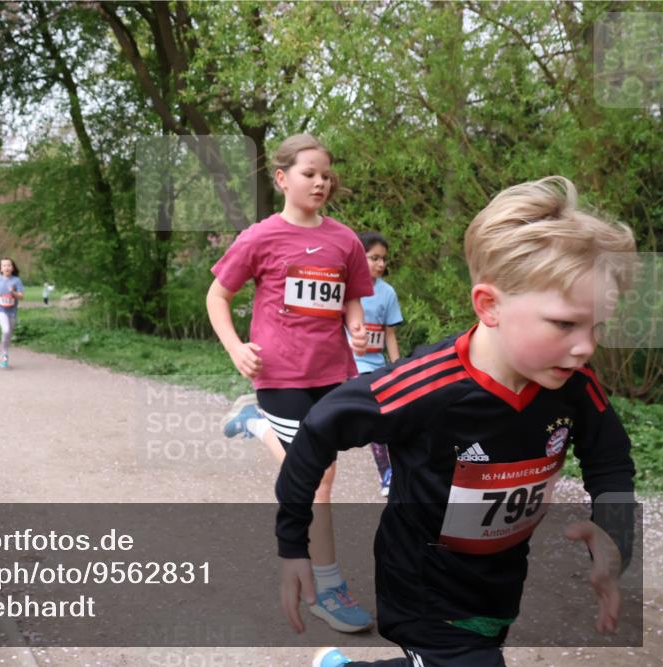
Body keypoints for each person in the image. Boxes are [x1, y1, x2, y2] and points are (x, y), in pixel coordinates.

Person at [278, 176, 637, 667]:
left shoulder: (573, 383)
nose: (586, 347)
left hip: (498, 585)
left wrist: (614, 540)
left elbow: (610, 457)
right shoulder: (426, 386)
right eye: (565, 324)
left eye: (597, 327)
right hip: (420, 583)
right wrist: (292, 544)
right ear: (489, 305)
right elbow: (320, 426)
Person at [206, 133, 375, 633]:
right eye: (309, 173)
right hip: (279, 373)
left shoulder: (345, 240)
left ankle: (252, 424)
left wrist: (357, 325)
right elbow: (217, 296)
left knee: (318, 474)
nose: (321, 182)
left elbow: (351, 296)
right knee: (317, 479)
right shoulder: (260, 237)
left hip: (333, 373)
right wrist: (237, 348)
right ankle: (329, 589)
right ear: (282, 178)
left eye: (326, 175)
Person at [353, 231, 404, 496]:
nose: (381, 264)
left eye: (383, 259)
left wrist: (398, 369)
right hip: (346, 367)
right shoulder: (346, 287)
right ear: (359, 257)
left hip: (374, 367)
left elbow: (389, 335)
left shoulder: (388, 293)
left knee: (381, 419)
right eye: (374, 258)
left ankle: (387, 473)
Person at [0, 258, 25, 369]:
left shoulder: (17, 280)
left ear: (12, 268)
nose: (6, 267)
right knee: (6, 329)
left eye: (9, 265)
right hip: (0, 310)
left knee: (8, 334)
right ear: (0, 269)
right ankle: (4, 354)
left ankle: (4, 351)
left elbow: (22, 296)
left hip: (12, 312)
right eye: (4, 265)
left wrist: (13, 292)